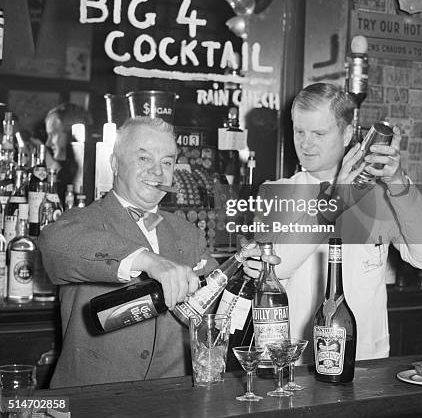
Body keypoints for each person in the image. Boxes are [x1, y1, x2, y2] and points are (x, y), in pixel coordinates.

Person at [39, 116, 262, 387]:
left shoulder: (187, 233)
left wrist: (247, 276)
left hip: (173, 398)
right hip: (95, 398)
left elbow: (216, 306)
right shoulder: (81, 221)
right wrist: (147, 260)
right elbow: (53, 243)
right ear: (115, 164)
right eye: (144, 159)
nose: (157, 172)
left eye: (166, 162)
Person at [255, 82, 422, 362]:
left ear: (347, 133)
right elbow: (277, 264)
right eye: (300, 131)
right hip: (297, 363)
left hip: (366, 362)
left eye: (319, 133)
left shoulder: (382, 197)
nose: (306, 144)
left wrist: (397, 183)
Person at [44, 102, 93, 200]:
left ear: (73, 134)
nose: (48, 143)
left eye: (53, 134)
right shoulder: (63, 172)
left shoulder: (91, 176)